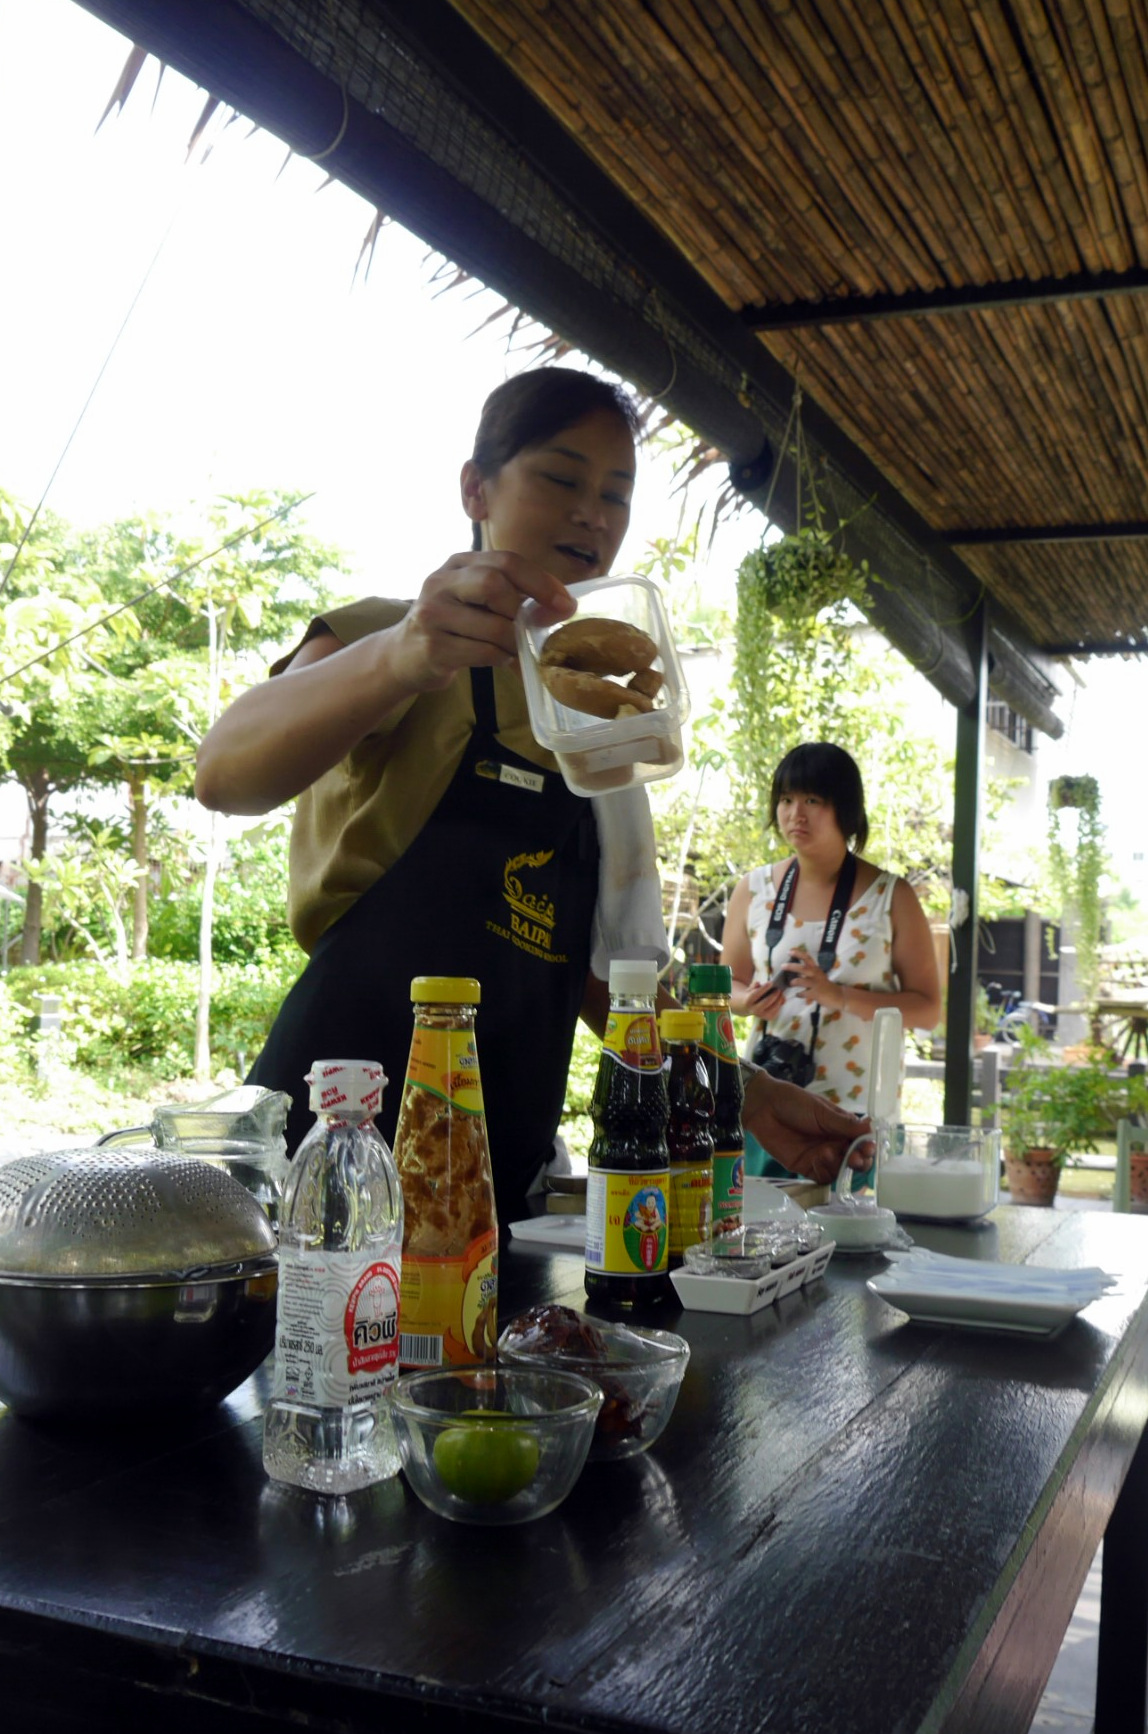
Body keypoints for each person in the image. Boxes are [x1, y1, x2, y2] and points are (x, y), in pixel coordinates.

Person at [196, 368, 872, 1219]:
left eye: (617, 495)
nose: (593, 513)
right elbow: (224, 772)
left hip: (491, 1179)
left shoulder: (598, 722)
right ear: (477, 487)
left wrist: (742, 1089)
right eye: (561, 478)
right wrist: (406, 654)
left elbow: (597, 973)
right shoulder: (389, 635)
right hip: (341, 1160)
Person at [723, 742, 942, 1182]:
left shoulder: (890, 896)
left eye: (812, 801)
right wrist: (747, 1002)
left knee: (850, 1241)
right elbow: (725, 984)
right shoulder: (754, 889)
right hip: (769, 1104)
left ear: (845, 808)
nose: (795, 814)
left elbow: (929, 1009)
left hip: (855, 1112)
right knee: (760, 1235)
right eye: (785, 800)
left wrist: (837, 995)